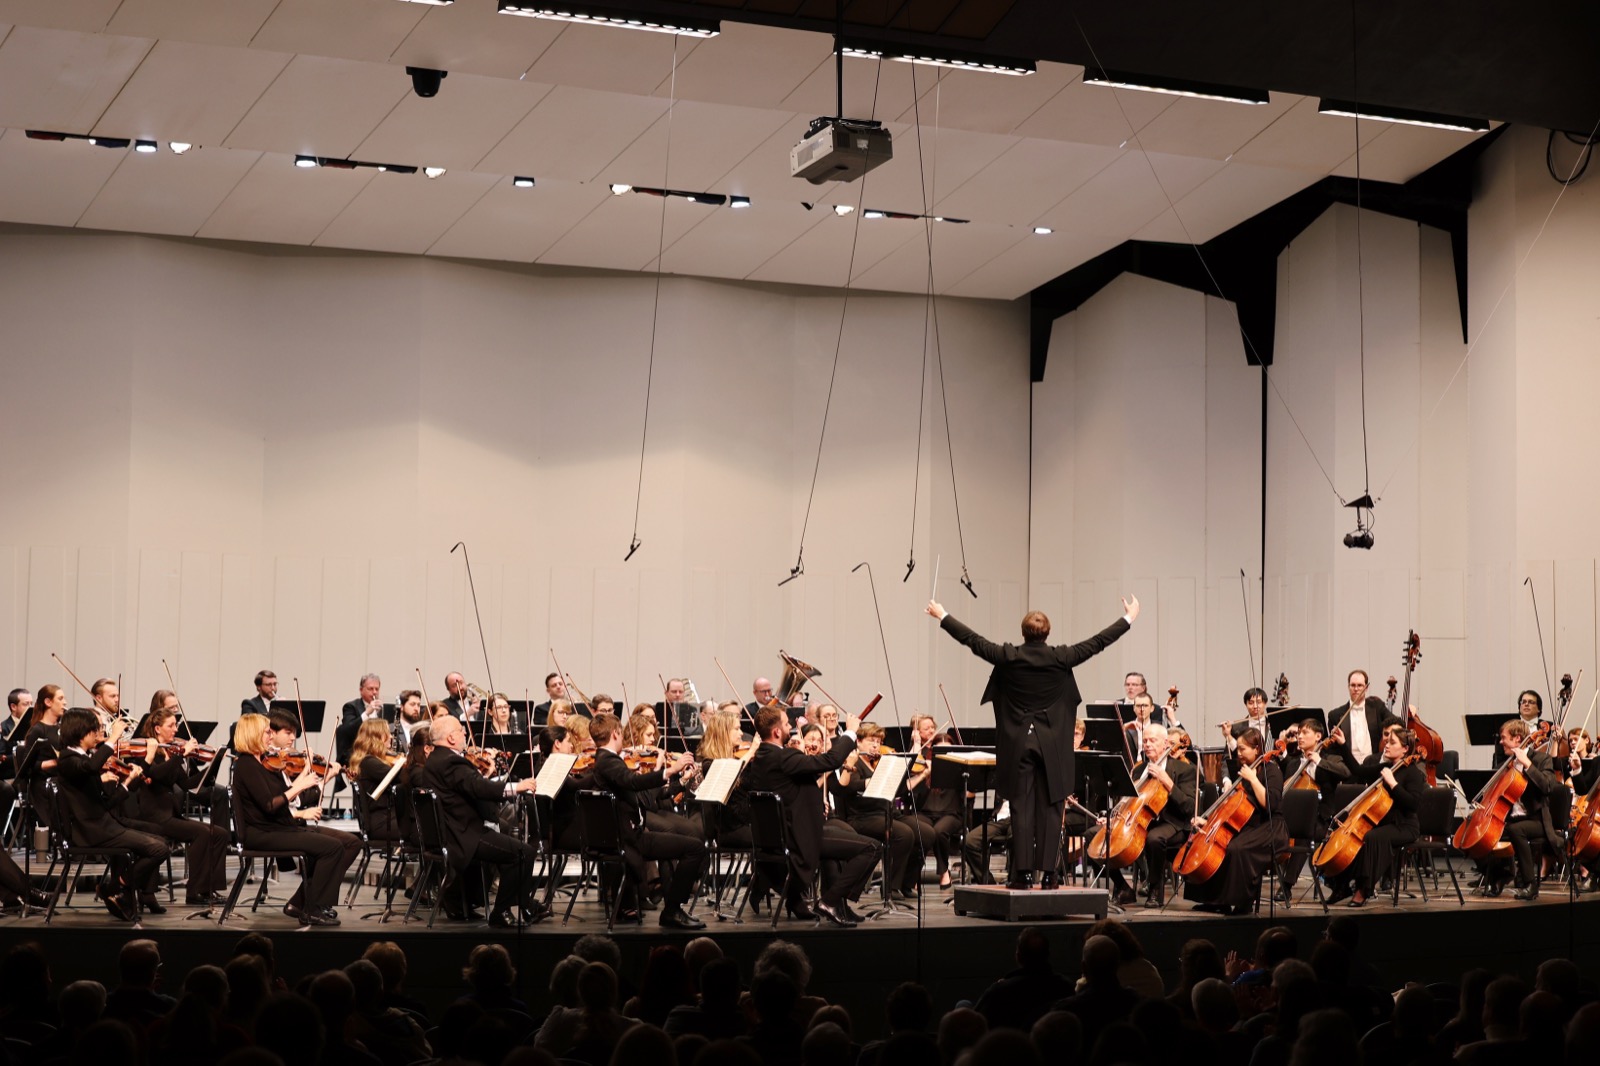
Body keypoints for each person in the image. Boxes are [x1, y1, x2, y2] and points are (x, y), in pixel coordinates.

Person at [928, 594, 1139, 889]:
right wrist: (1128, 618)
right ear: (1047, 633)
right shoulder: (1061, 656)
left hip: (1018, 744)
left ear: (1023, 632)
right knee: (1053, 808)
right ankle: (1051, 875)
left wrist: (943, 615)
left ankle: (1024, 874)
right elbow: (1098, 642)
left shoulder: (1009, 655)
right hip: (1053, 743)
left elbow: (973, 640)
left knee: (1021, 808)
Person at [741, 705, 878, 924]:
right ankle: (830, 901)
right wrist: (851, 732)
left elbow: (802, 777)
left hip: (783, 836)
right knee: (872, 848)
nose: (790, 729)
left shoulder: (762, 758)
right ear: (777, 732)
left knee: (834, 855)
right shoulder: (783, 758)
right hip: (800, 839)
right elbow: (830, 761)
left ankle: (833, 906)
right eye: (786, 724)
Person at [230, 712, 360, 926]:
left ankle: (307, 903)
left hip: (278, 828)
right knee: (332, 848)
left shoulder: (260, 762)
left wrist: (308, 778)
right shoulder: (246, 765)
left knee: (341, 844)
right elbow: (270, 805)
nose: (270, 737)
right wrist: (300, 785)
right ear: (253, 734)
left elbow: (287, 794)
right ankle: (312, 908)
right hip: (263, 833)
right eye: (266, 732)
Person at [421, 714, 547, 927]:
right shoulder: (450, 761)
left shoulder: (437, 759)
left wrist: (485, 776)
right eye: (461, 731)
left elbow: (471, 784)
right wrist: (517, 787)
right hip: (465, 836)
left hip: (456, 832)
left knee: (515, 850)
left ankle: (524, 904)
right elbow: (478, 787)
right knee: (522, 853)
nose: (465, 734)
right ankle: (503, 911)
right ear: (451, 738)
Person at [585, 711, 706, 929]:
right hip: (629, 839)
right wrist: (670, 770)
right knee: (695, 848)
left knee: (682, 847)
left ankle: (671, 908)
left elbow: (642, 792)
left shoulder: (606, 760)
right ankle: (672, 911)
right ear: (615, 733)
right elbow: (632, 781)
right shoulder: (608, 761)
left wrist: (677, 779)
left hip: (631, 836)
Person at [55, 708, 171, 921]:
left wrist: (127, 782)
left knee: (160, 842)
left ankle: (117, 889)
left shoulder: (81, 759)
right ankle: (121, 887)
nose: (100, 734)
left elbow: (107, 802)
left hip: (104, 824)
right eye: (96, 730)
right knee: (159, 849)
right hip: (92, 830)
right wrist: (115, 736)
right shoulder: (68, 759)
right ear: (82, 731)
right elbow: (90, 767)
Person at [127, 693, 230, 906]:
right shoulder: (149, 750)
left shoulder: (170, 753)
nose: (176, 729)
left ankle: (208, 888)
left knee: (219, 833)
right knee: (203, 833)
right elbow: (158, 775)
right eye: (172, 725)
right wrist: (181, 755)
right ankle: (194, 892)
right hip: (155, 818)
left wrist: (212, 769)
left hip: (171, 815)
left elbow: (186, 784)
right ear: (158, 729)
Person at [1182, 726, 1285, 916]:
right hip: (1247, 825)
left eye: (1243, 749)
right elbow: (1232, 807)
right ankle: (1213, 900)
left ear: (1257, 749)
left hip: (1269, 826)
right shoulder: (1243, 769)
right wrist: (1210, 821)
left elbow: (1271, 805)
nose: (1239, 753)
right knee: (1216, 845)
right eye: (1238, 749)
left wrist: (1254, 780)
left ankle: (1242, 902)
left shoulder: (1271, 770)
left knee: (1236, 849)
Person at [1322, 726, 1426, 906]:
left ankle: (1364, 889)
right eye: (1387, 741)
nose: (1387, 745)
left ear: (1405, 749)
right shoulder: (1386, 766)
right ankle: (1341, 885)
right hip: (1383, 823)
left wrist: (1393, 784)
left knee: (1372, 838)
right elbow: (1358, 771)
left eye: (1392, 743)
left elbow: (1413, 804)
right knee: (1356, 839)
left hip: (1404, 826)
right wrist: (1343, 744)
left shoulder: (1413, 773)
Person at [1098, 723, 1196, 907]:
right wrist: (1112, 817)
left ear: (1166, 743)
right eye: (1145, 741)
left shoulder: (1185, 770)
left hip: (1172, 823)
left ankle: (1154, 889)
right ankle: (1123, 887)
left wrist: (1168, 783)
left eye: (1153, 740)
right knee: (1094, 836)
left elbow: (1189, 807)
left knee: (1154, 839)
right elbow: (1127, 800)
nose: (1148, 744)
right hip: (1139, 821)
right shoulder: (1139, 769)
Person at [1475, 718, 1561, 899]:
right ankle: (1500, 875)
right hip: (1511, 818)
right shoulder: (1505, 765)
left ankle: (1530, 884)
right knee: (1478, 832)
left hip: (1536, 820)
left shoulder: (1541, 759)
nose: (1500, 742)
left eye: (1503, 738)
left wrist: (1527, 764)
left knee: (1516, 830)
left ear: (1517, 739)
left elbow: (1547, 787)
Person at [1274, 717, 1350, 900]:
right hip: (1292, 818)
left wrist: (1318, 761)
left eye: (1305, 733)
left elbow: (1346, 773)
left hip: (1322, 819)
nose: (1299, 737)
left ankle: (1286, 885)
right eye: (1298, 733)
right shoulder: (1293, 763)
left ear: (1318, 736)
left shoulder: (1330, 758)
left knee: (1303, 836)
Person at [1327, 670, 1402, 773]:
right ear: (1348, 687)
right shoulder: (1335, 715)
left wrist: (1410, 711)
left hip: (1374, 767)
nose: (1356, 689)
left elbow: (1397, 723)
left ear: (1366, 687)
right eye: (1353, 685)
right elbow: (1334, 750)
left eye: (1360, 685)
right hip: (1348, 769)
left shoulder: (1377, 707)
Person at [347, 718, 402, 843]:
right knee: (426, 829)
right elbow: (401, 777)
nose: (391, 737)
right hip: (383, 823)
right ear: (379, 737)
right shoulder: (369, 763)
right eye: (388, 733)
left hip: (387, 819)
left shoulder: (370, 761)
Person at [1219, 687, 1273, 773]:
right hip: (1243, 773)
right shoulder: (1236, 728)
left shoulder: (1274, 725)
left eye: (1258, 702)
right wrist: (1227, 780)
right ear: (1246, 705)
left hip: (1270, 773)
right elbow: (1227, 758)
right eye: (1251, 703)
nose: (1255, 706)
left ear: (1265, 703)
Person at [337, 673, 384, 764]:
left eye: (377, 689)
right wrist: (366, 713)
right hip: (356, 756)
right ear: (361, 690)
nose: (374, 692)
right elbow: (348, 730)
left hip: (378, 756)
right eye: (370, 689)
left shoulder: (383, 710)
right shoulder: (350, 707)